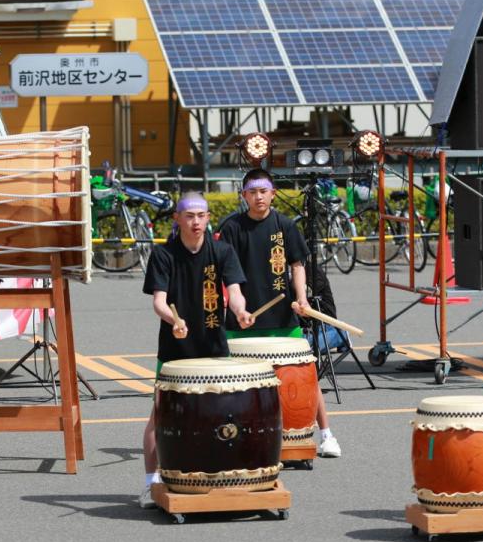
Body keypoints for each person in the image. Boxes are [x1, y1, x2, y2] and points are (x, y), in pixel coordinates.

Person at [138, 192, 254, 507]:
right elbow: (159, 302)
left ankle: (217, 477)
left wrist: (241, 311)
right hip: (175, 350)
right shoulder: (164, 255)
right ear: (177, 219)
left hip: (214, 348)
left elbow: (234, 291)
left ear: (208, 218)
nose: (196, 222)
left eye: (201, 215)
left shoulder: (222, 251)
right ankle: (150, 483)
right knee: (160, 418)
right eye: (189, 216)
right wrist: (173, 320)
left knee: (221, 417)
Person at [217, 168, 342, 457]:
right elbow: (225, 272)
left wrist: (302, 299)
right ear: (244, 195)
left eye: (263, 191)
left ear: (273, 194)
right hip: (242, 318)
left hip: (282, 317)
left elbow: (297, 265)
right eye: (252, 192)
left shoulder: (284, 225)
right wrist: (235, 306)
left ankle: (326, 435)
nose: (258, 197)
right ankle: (232, 438)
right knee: (233, 383)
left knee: (304, 375)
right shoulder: (232, 228)